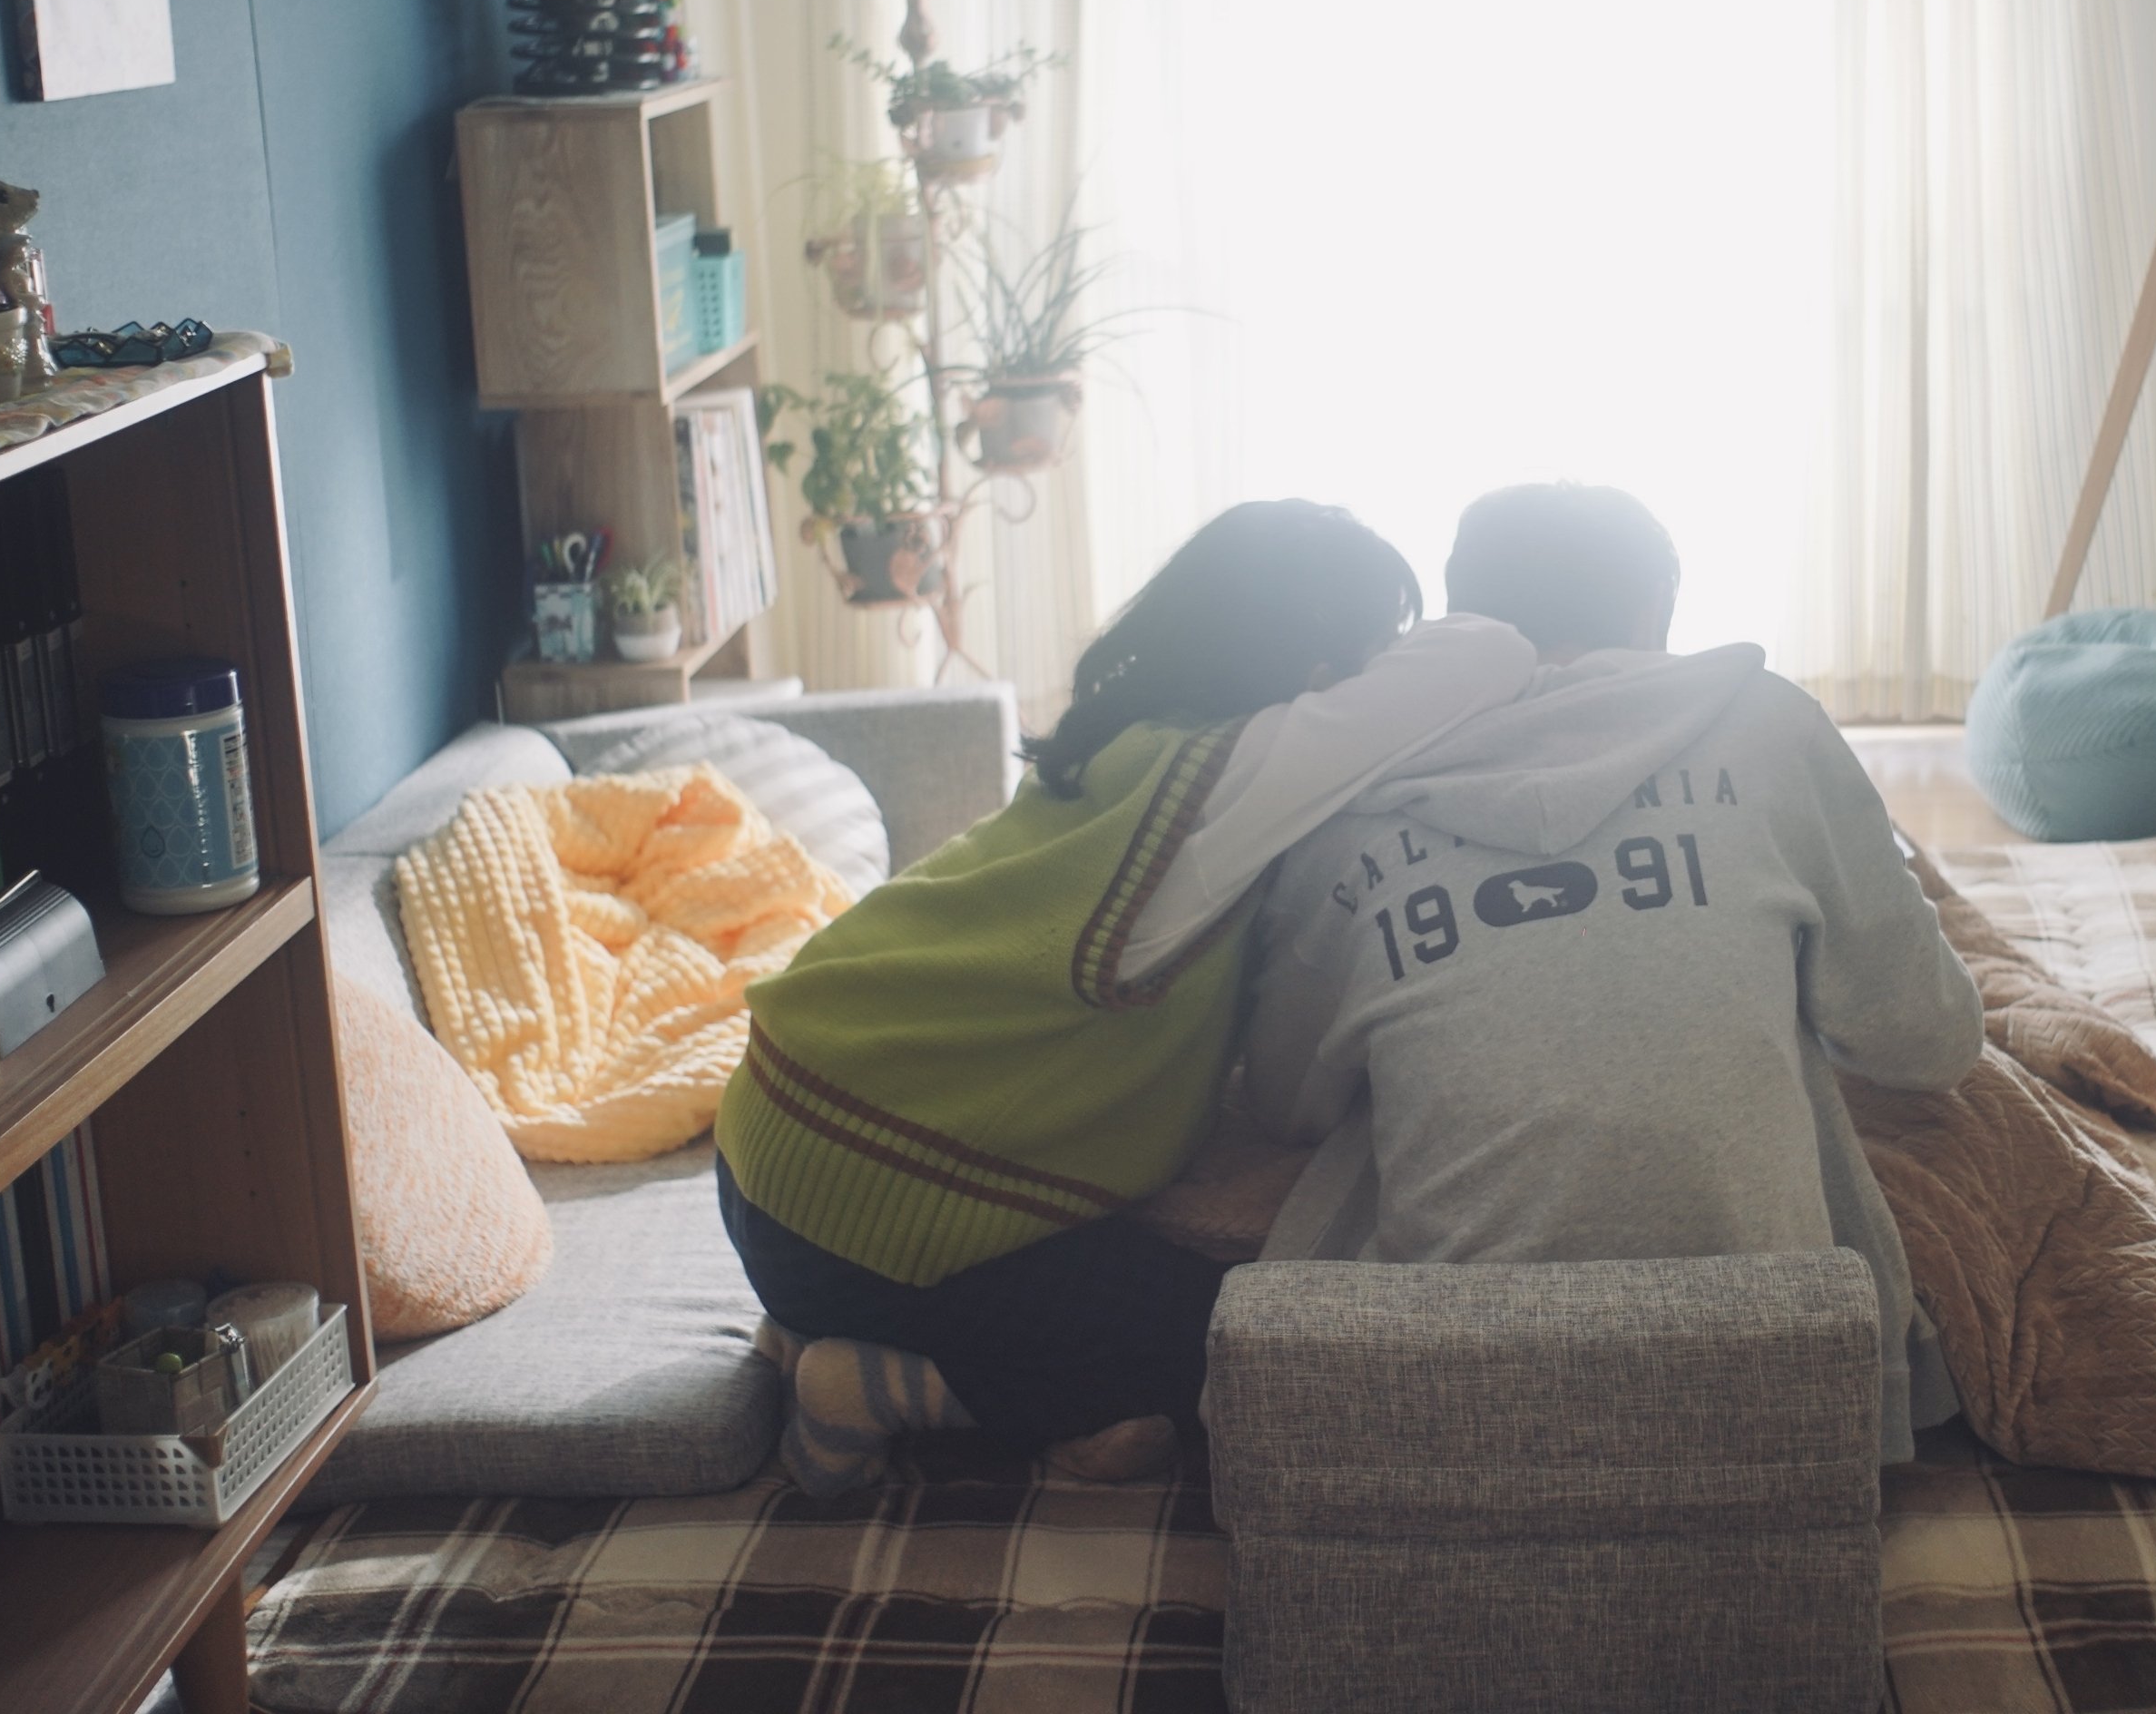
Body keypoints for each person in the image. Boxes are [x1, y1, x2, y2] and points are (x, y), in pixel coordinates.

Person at [719, 500, 1536, 1489]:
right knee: (1251, 1335)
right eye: (1371, 652)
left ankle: (835, 1325)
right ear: (1318, 663)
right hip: (850, 1218)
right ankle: (877, 1385)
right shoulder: (1233, 775)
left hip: (773, 1157)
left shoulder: (1134, 746)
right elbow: (1491, 652)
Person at [1242, 483, 1985, 1460]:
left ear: (1463, 616)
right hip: (1778, 1352)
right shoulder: (1769, 728)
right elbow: (1926, 1042)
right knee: (1789, 1033)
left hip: (1444, 1375)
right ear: (1657, 608)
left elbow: (1285, 1102)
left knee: (1382, 1099)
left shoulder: (1356, 790)